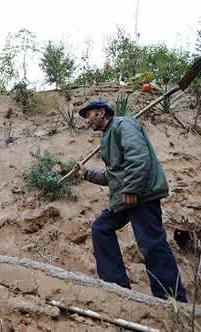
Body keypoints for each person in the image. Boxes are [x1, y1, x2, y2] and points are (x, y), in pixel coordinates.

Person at [74, 101, 187, 302]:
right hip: (124, 199)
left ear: (102, 112)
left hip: (141, 194)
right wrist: (86, 173)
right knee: (101, 228)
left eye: (89, 115)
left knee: (151, 243)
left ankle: (172, 300)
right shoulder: (108, 137)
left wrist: (132, 188)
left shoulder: (124, 124)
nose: (87, 120)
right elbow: (112, 176)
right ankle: (117, 288)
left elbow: (138, 155)